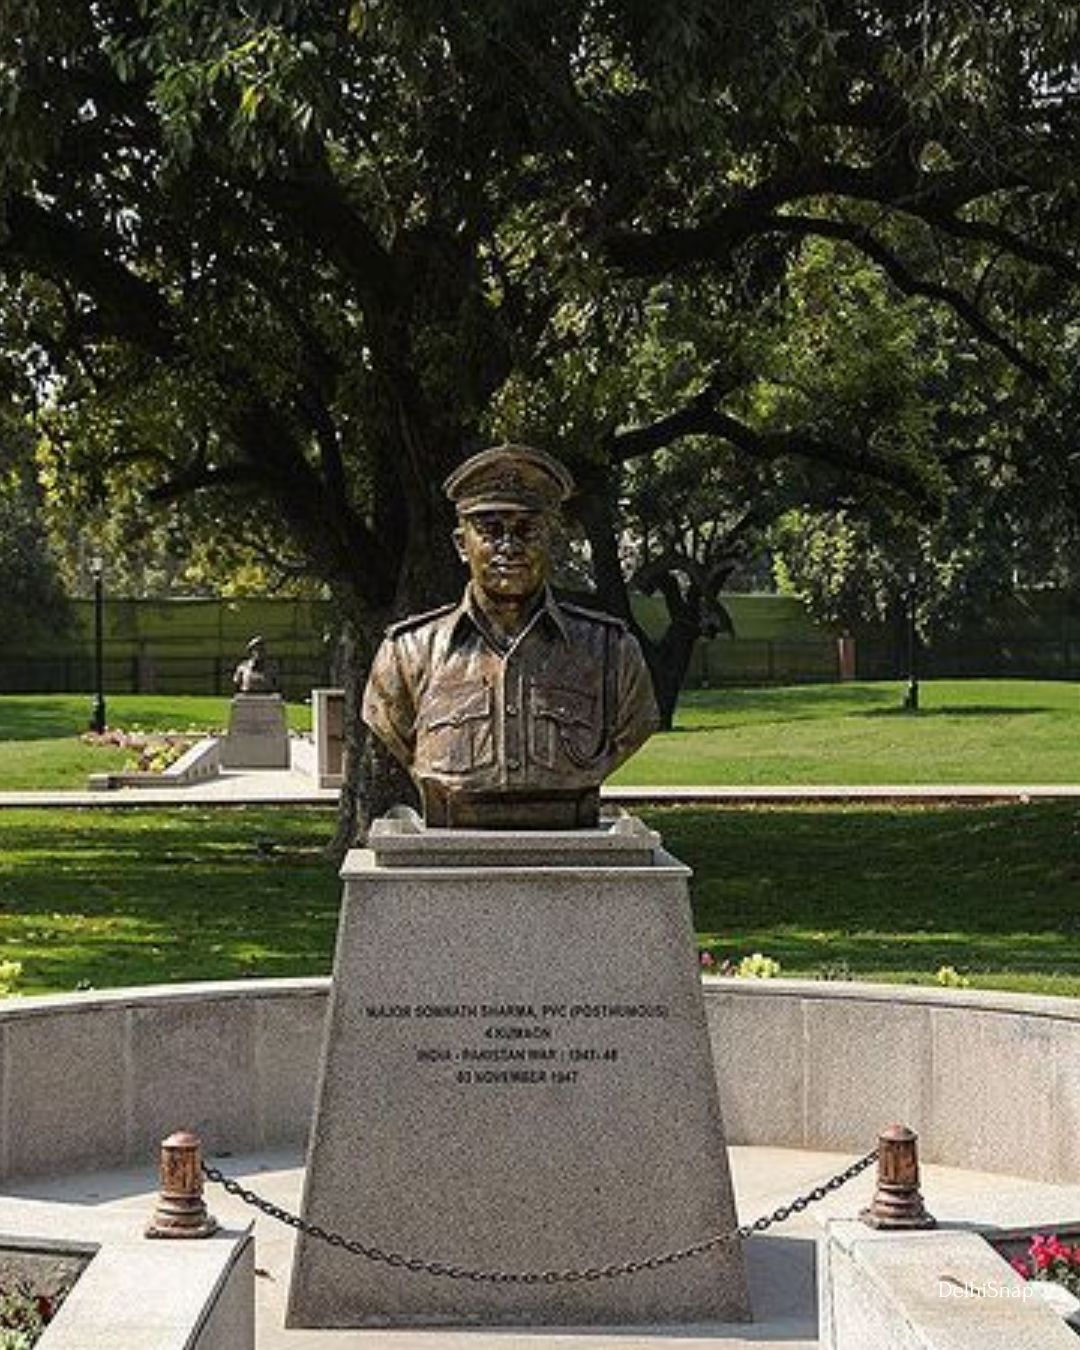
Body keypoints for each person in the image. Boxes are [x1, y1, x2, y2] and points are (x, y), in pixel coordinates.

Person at [362, 444, 659, 828]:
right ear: (461, 544)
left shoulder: (611, 652)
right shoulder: (406, 653)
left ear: (551, 540)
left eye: (527, 530)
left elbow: (634, 725)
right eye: (490, 530)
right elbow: (391, 725)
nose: (509, 547)